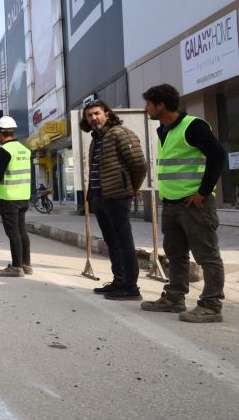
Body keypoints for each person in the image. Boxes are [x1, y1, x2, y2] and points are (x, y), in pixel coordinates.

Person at [140, 84, 226, 323]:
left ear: (161, 105)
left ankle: (211, 305)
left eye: (148, 104)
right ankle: (174, 298)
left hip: (194, 204)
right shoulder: (164, 130)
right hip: (171, 204)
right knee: (175, 255)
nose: (146, 109)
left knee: (207, 256)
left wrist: (203, 191)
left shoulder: (193, 126)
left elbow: (217, 155)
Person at [80, 100, 147, 301]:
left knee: (124, 240)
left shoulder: (119, 133)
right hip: (99, 196)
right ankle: (119, 281)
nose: (93, 118)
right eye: (89, 115)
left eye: (97, 113)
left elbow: (139, 165)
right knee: (112, 241)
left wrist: (131, 188)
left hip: (117, 196)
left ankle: (131, 286)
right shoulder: (97, 139)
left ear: (107, 114)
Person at [0, 115, 32, 277]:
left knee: (13, 232)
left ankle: (16, 267)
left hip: (9, 198)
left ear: (0, 132)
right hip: (23, 196)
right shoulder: (25, 150)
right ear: (12, 131)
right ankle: (26, 264)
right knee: (22, 231)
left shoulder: (4, 151)